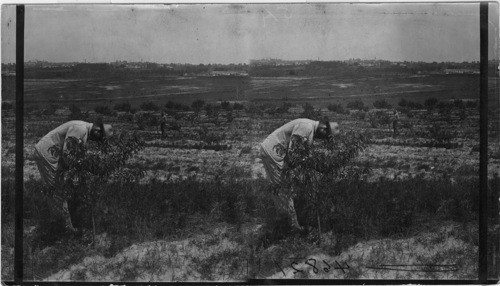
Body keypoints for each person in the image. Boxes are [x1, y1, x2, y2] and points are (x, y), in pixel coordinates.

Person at [259, 118, 339, 231]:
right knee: (283, 190)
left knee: (287, 189)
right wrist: (317, 167)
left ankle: (288, 223)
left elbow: (300, 155)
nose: (323, 139)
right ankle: (290, 228)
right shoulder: (305, 127)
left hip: (279, 155)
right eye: (326, 137)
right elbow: (293, 155)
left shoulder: (310, 130)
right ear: (324, 129)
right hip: (273, 153)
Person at [34, 120, 113, 231]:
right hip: (47, 153)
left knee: (63, 189)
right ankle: (62, 228)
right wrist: (83, 168)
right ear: (97, 131)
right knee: (57, 191)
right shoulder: (79, 129)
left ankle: (63, 223)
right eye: (99, 139)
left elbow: (74, 155)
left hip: (54, 155)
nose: (97, 141)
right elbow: (68, 153)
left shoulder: (84, 131)